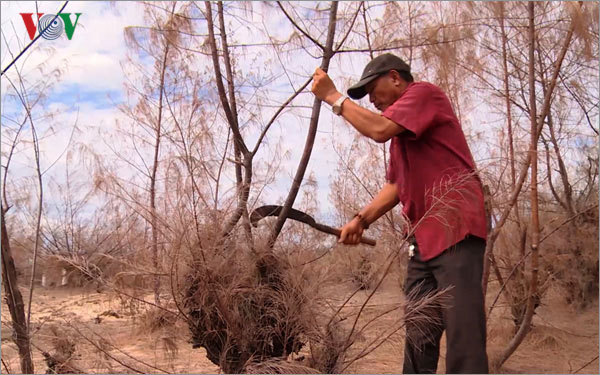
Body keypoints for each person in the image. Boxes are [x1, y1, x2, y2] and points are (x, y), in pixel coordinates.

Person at [311, 53, 489, 374]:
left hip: (456, 228)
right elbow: (395, 185)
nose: (372, 100)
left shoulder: (423, 94)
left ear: (395, 78)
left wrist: (334, 98)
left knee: (464, 339)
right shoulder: (400, 138)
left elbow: (378, 129)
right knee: (419, 333)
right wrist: (361, 220)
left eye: (372, 90)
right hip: (422, 241)